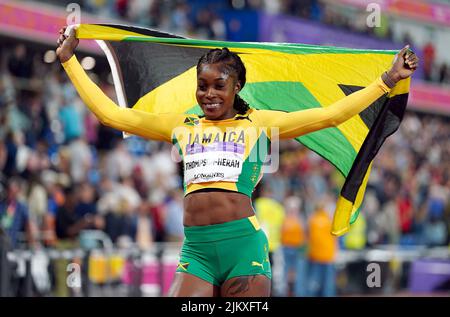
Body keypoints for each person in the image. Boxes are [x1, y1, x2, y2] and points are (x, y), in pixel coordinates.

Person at [56, 26, 418, 297]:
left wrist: (386, 81)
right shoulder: (182, 125)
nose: (208, 94)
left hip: (243, 248)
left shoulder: (259, 123)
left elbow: (330, 115)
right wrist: (70, 61)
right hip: (195, 250)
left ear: (237, 88)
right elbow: (111, 115)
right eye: (202, 85)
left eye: (219, 86)